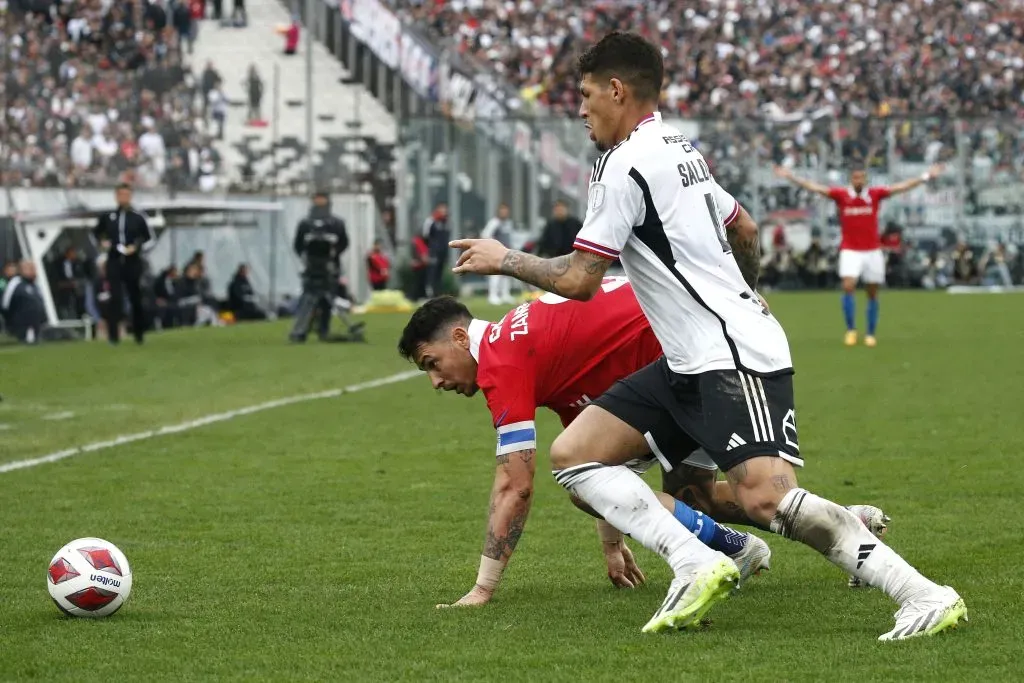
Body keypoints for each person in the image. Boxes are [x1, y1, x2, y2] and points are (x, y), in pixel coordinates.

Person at [449, 31, 964, 639]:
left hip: (728, 354)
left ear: (616, 90)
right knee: (578, 455)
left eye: (586, 96)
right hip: (688, 359)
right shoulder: (677, 147)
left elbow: (581, 279)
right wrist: (746, 290)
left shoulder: (622, 165)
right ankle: (697, 563)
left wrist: (506, 259)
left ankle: (923, 594)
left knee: (765, 498)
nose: (581, 110)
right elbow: (743, 226)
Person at [774, 163, 943, 347]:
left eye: (861, 177)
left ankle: (870, 333)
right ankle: (851, 330)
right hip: (850, 250)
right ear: (851, 179)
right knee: (848, 286)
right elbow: (816, 188)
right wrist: (790, 177)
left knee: (872, 292)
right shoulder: (842, 195)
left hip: (872, 250)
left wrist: (926, 176)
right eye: (855, 177)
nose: (858, 180)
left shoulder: (875, 195)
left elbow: (901, 187)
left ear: (866, 179)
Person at [92, 183, 154, 345]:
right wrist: (103, 242)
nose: (123, 198)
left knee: (135, 297)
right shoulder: (108, 216)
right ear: (116, 196)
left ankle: (139, 334)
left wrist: (136, 247)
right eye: (120, 194)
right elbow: (96, 234)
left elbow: (148, 238)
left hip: (132, 261)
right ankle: (113, 336)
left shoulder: (138, 217)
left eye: (126, 195)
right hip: (114, 260)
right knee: (115, 297)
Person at [289, 191, 349, 342]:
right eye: (317, 200)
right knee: (307, 300)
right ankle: (301, 330)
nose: (319, 202)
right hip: (311, 268)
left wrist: (333, 254)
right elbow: (298, 245)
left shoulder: (337, 223)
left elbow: (344, 243)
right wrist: (306, 259)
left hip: (330, 268)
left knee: (326, 301)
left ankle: (323, 329)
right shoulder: (305, 224)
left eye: (322, 200)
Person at [1, 261, 47, 344]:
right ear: (22, 270)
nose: (34, 271)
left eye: (34, 269)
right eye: (31, 269)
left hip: (37, 324)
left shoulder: (35, 284)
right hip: (21, 325)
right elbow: (5, 304)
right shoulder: (15, 283)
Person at [480, 203, 515, 305]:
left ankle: (505, 294)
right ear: (499, 212)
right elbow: (485, 235)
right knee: (495, 274)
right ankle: (493, 295)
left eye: (506, 210)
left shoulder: (509, 223)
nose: (504, 212)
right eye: (502, 210)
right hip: (496, 253)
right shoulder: (494, 223)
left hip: (507, 252)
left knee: (507, 274)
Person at [422, 203, 450, 297]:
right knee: (432, 272)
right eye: (442, 209)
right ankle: (429, 293)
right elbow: (425, 236)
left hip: (443, 252)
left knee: (439, 274)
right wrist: (429, 250)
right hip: (433, 252)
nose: (444, 212)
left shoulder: (446, 222)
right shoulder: (431, 221)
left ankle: (438, 294)